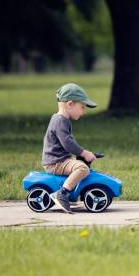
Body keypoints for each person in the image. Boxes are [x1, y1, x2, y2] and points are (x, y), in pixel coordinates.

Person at [41, 83, 98, 213]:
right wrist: (84, 153)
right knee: (82, 168)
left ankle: (73, 193)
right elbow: (68, 143)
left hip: (59, 159)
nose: (83, 112)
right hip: (56, 162)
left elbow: (68, 142)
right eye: (82, 107)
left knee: (80, 164)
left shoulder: (61, 120)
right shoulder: (60, 120)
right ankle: (62, 193)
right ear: (70, 104)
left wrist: (82, 154)